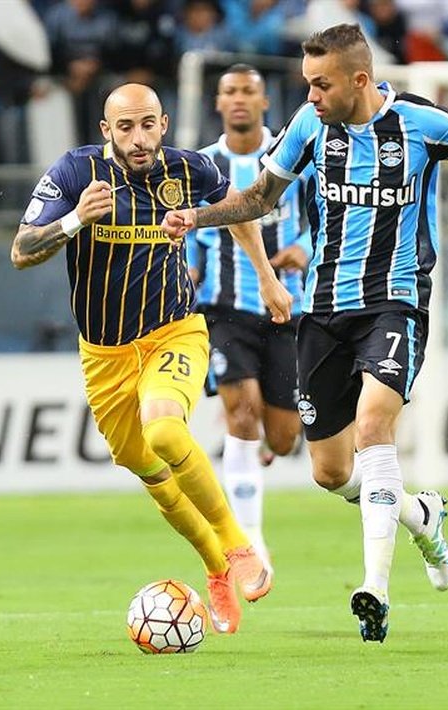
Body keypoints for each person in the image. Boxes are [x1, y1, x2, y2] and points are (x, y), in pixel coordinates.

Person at [162, 23, 448, 643]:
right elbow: (260, 198)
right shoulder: (306, 126)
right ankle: (421, 515)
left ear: (358, 79)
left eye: (321, 84)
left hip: (393, 303)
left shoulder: (419, 123)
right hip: (320, 311)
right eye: (306, 84)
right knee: (328, 470)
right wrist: (199, 216)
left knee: (375, 424)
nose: (312, 95)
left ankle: (374, 588)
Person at [10, 82, 293, 636]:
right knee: (153, 474)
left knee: (165, 432)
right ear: (105, 131)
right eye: (124, 128)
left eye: (147, 125)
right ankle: (215, 569)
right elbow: (22, 250)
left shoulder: (189, 170)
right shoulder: (74, 174)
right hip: (105, 355)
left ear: (163, 125)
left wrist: (265, 277)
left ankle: (237, 545)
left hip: (174, 332)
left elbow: (239, 208)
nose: (137, 139)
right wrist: (73, 222)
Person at [185, 63, 311, 570]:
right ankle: (251, 541)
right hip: (223, 309)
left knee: (283, 437)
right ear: (218, 103)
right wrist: (188, 271)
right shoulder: (202, 166)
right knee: (242, 412)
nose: (238, 99)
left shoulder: (290, 158)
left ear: (264, 102)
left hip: (287, 308)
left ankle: (256, 452)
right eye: (229, 92)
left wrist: (303, 247)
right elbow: (188, 228)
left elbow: (324, 220)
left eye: (248, 92)